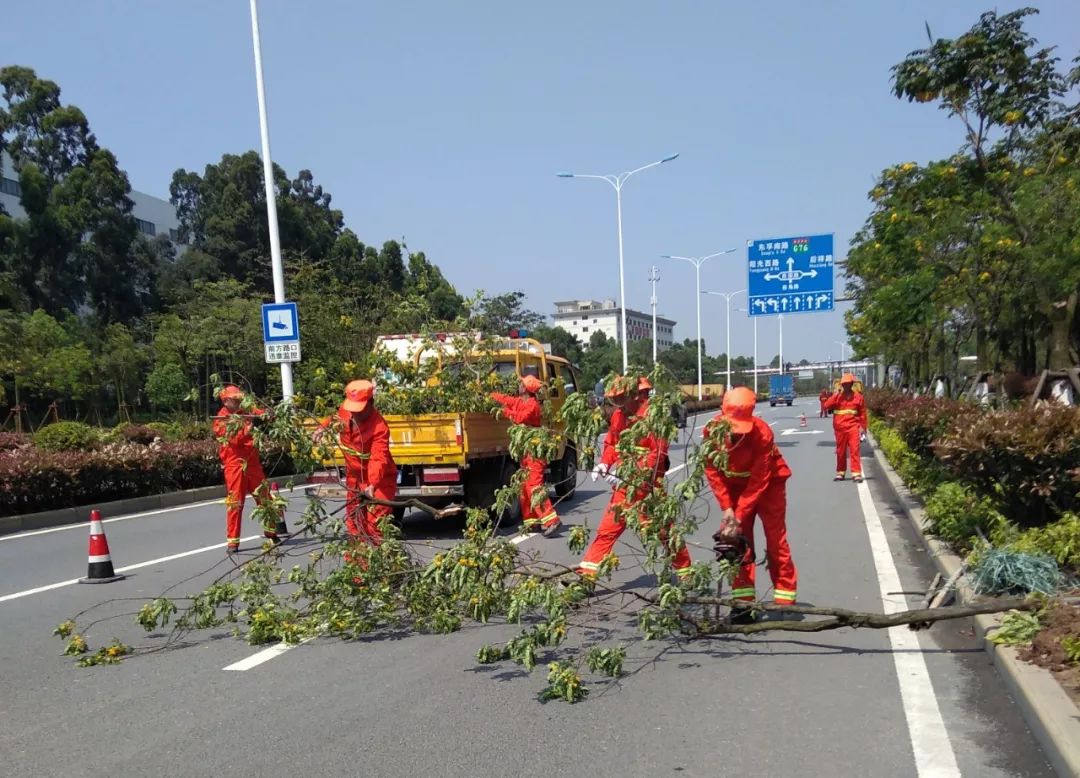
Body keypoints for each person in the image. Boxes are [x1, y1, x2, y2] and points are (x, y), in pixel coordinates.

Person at [577, 376, 690, 579]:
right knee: (607, 530)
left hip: (648, 488)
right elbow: (612, 443)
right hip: (624, 489)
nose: (618, 404)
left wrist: (628, 474)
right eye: (615, 399)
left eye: (621, 398)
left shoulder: (653, 417)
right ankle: (586, 577)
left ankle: (686, 573)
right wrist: (604, 463)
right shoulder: (619, 415)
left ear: (636, 395)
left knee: (664, 531)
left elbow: (657, 457)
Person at [703, 387, 797, 619]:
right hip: (733, 487)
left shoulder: (762, 434)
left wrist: (738, 515)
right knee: (738, 543)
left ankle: (785, 598)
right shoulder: (711, 432)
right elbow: (713, 471)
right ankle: (743, 604)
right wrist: (727, 508)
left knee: (776, 541)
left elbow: (759, 480)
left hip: (769, 486)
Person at [320, 380, 397, 546]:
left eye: (359, 409)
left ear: (371, 403)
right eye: (352, 408)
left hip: (379, 481)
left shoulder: (379, 427)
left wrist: (372, 484)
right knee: (354, 523)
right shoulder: (346, 411)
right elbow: (334, 418)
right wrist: (322, 428)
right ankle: (358, 569)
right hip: (354, 478)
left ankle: (381, 567)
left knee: (375, 526)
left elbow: (378, 457)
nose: (355, 413)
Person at [212, 385, 282, 553]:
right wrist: (247, 428)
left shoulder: (246, 409)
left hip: (252, 462)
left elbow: (262, 414)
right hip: (234, 465)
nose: (239, 402)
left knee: (265, 499)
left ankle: (271, 532)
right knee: (235, 502)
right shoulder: (220, 419)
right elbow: (234, 439)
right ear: (226, 401)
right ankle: (233, 542)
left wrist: (269, 415)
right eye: (235, 399)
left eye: (239, 398)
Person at [491, 375, 562, 537]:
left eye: (521, 383)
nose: (519, 385)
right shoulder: (522, 402)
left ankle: (552, 521)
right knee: (524, 487)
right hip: (527, 451)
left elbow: (519, 418)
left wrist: (502, 411)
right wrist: (492, 396)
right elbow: (508, 400)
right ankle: (532, 522)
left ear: (526, 388)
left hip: (535, 450)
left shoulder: (532, 405)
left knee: (534, 486)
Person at [823, 373, 868, 482]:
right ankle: (840, 472)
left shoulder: (858, 397)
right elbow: (826, 406)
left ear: (852, 384)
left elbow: (862, 414)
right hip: (840, 428)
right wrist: (835, 394)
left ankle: (856, 473)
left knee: (854, 449)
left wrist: (863, 428)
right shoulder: (837, 396)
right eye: (844, 384)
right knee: (840, 451)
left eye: (848, 384)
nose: (845, 386)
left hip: (853, 427)